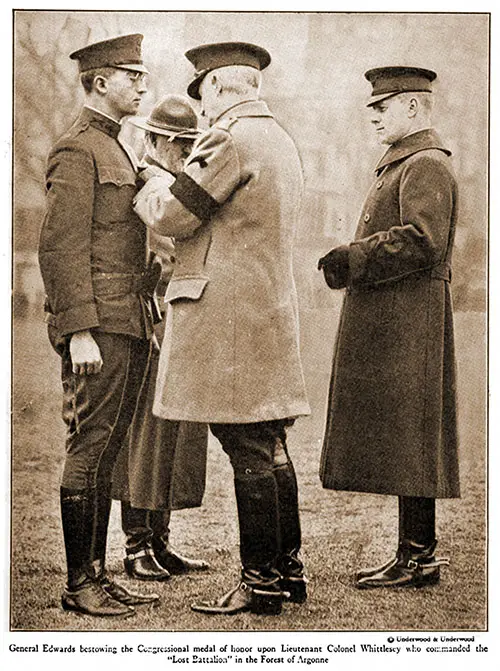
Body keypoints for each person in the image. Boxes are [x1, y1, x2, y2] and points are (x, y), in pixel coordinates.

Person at [133, 42, 311, 615]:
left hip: (229, 319)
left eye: (200, 94)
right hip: (265, 312)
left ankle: (259, 581)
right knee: (268, 442)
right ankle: (286, 571)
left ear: (213, 87)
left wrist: (153, 178)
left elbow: (173, 215)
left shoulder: (228, 138)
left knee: (248, 448)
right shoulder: (280, 138)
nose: (201, 110)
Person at [317, 66, 460, 589]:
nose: (373, 113)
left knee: (413, 433)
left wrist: (352, 259)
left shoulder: (425, 164)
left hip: (410, 318)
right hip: (398, 316)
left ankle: (419, 556)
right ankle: (414, 554)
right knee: (407, 433)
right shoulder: (408, 162)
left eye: (385, 104)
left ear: (415, 107)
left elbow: (424, 241)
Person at [38, 34, 159, 617]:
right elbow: (60, 249)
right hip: (99, 328)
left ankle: (97, 574)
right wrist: (78, 329)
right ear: (100, 80)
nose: (142, 84)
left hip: (127, 321)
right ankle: (77, 583)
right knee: (89, 447)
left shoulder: (119, 149)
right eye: (132, 75)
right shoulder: (77, 150)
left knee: (108, 452)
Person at [111, 95, 210, 581]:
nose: (182, 152)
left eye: (188, 143)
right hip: (152, 316)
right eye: (174, 143)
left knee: (173, 431)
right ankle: (136, 545)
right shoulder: (145, 183)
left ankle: (161, 541)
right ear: (153, 140)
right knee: (146, 433)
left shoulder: (175, 184)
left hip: (179, 317)